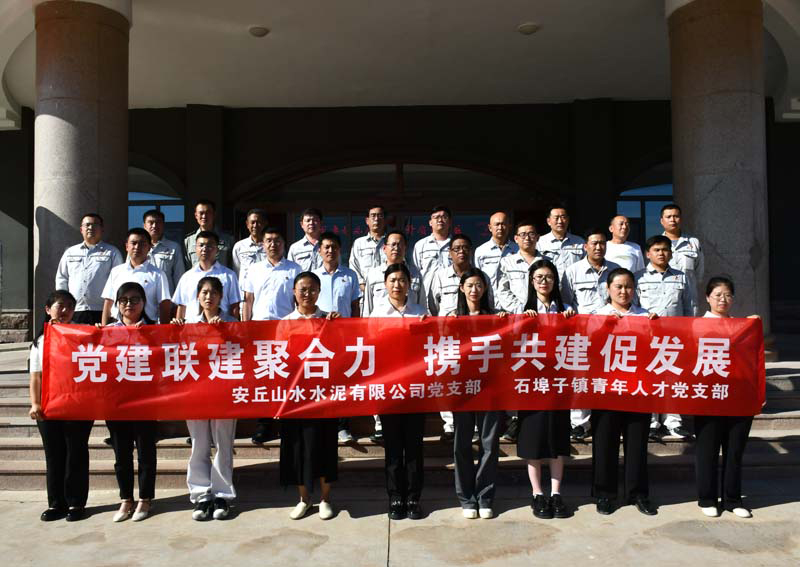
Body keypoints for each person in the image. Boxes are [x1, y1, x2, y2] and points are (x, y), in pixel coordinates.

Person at [592, 268, 659, 516]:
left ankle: (637, 493)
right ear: (608, 289)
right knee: (604, 443)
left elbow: (656, 351)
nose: (623, 291)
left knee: (637, 443)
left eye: (628, 286)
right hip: (606, 389)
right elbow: (588, 350)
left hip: (637, 389)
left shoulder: (645, 316)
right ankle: (604, 494)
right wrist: (603, 328)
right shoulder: (597, 315)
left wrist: (656, 327)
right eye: (618, 286)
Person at [171, 276, 238, 521]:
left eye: (214, 293)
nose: (209, 297)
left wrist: (225, 331)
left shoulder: (232, 323)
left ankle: (222, 495)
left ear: (221, 297)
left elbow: (243, 352)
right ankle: (201, 495)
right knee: (199, 443)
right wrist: (175, 331)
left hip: (223, 392)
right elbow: (176, 355)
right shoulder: (188, 324)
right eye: (204, 293)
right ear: (198, 296)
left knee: (223, 443)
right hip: (196, 393)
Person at [694, 276, 759, 519]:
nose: (723, 299)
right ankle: (707, 498)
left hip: (738, 397)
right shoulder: (697, 325)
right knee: (707, 451)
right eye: (718, 295)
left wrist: (753, 326)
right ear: (707, 298)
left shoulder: (742, 327)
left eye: (728, 295)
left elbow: (753, 363)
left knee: (734, 451)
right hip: (708, 397)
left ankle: (732, 499)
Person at [517, 259, 576, 520]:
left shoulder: (567, 310)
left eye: (549, 277)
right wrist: (520, 321)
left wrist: (571, 321)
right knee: (533, 439)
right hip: (531, 384)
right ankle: (537, 493)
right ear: (531, 282)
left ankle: (556, 493)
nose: (544, 282)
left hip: (558, 384)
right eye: (539, 277)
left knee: (557, 439)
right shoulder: (522, 310)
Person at [279, 272, 341, 520]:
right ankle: (304, 499)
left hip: (323, 395)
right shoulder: (284, 323)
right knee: (297, 449)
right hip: (295, 397)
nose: (307, 294)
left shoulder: (328, 320)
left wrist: (338, 327)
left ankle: (325, 499)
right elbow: (278, 360)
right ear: (294, 292)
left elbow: (341, 353)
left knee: (325, 445)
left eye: (312, 289)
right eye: (302, 289)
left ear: (319, 292)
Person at [29, 290, 93, 522]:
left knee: (76, 453)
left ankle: (76, 503)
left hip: (77, 404)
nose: (65, 310)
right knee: (54, 455)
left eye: (69, 306)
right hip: (49, 405)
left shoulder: (83, 334)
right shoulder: (41, 341)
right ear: (48, 309)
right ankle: (56, 504)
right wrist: (35, 403)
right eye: (60, 305)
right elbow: (36, 376)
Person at [370, 263, 428, 520]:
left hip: (415, 389)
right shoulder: (376, 314)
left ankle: (414, 497)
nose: (397, 285)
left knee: (414, 447)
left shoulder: (420, 312)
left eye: (402, 280)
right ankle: (395, 496)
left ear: (409, 284)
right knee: (393, 447)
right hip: (389, 390)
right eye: (392, 280)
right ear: (385, 284)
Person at [448, 268, 506, 520]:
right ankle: (466, 498)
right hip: (462, 389)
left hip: (490, 388)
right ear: (461, 288)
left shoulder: (494, 317)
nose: (474, 290)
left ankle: (485, 496)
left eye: (479, 285)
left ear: (485, 289)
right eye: (470, 285)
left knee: (489, 444)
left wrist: (505, 321)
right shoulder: (452, 318)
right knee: (462, 444)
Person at [362, 229, 426, 441]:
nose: (396, 248)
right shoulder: (373, 275)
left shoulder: (416, 274)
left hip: (411, 356)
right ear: (384, 248)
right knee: (384, 388)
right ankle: (380, 424)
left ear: (406, 248)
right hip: (385, 353)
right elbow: (368, 310)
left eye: (400, 244)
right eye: (392, 244)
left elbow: (422, 306)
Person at [103, 282, 158, 522]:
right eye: (124, 300)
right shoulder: (106, 332)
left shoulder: (155, 330)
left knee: (146, 453)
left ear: (144, 303)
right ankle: (126, 499)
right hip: (117, 402)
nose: (129, 304)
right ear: (117, 304)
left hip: (145, 401)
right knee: (121, 454)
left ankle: (145, 499)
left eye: (135, 299)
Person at [241, 227, 301, 444]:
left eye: (277, 240)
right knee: (264, 378)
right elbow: (248, 301)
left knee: (286, 376)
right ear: (262, 244)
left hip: (286, 329)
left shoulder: (295, 269)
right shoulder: (254, 269)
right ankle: (264, 425)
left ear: (284, 244)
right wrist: (246, 328)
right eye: (268, 240)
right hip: (259, 329)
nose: (273, 244)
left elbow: (298, 301)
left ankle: (286, 422)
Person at [561, 227, 621, 441]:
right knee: (582, 378)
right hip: (583, 333)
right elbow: (566, 300)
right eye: (594, 243)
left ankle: (606, 419)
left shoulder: (615, 269)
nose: (598, 247)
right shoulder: (572, 271)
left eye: (602, 243)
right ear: (585, 246)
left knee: (608, 377)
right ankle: (579, 423)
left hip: (611, 333)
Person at [635, 234, 696, 441]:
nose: (661, 253)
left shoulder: (681, 277)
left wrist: (690, 334)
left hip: (674, 338)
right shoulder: (638, 277)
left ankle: (673, 422)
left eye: (665, 250)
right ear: (648, 254)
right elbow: (633, 307)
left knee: (672, 379)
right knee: (650, 379)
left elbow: (689, 307)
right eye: (656, 250)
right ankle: (652, 422)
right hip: (647, 338)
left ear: (671, 253)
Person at [313, 232, 362, 442]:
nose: (330, 251)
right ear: (319, 251)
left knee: (343, 382)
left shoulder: (350, 275)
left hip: (344, 336)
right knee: (320, 380)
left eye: (334, 247)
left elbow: (355, 306)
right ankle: (322, 422)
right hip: (319, 337)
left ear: (340, 250)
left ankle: (343, 427)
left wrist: (355, 331)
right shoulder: (312, 276)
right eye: (326, 247)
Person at [55, 213, 123, 324]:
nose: (91, 228)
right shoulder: (70, 252)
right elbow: (62, 278)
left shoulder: (112, 252)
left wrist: (114, 311)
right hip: (75, 310)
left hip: (102, 311)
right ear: (81, 229)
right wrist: (64, 305)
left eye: (95, 225)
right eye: (87, 225)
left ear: (102, 229)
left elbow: (119, 282)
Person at [100, 228, 171, 325]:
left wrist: (164, 331)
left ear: (149, 247)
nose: (137, 247)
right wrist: (103, 330)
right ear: (127, 246)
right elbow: (108, 303)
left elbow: (164, 306)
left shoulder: (158, 274)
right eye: (133, 243)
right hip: (118, 328)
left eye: (142, 244)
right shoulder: (116, 271)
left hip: (147, 328)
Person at [172, 231, 241, 320]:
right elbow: (181, 307)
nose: (204, 249)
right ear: (195, 248)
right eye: (201, 245)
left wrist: (233, 326)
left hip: (221, 326)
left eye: (209, 246)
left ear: (217, 249)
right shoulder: (187, 277)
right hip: (192, 326)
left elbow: (234, 305)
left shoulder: (229, 275)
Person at [497, 219, 542, 314]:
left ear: (537, 237)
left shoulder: (547, 262)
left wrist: (542, 307)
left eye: (531, 234)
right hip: (517, 315)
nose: (527, 238)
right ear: (516, 239)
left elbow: (555, 288)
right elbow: (503, 291)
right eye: (523, 234)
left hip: (543, 313)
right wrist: (521, 309)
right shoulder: (507, 262)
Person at [660, 203, 704, 293]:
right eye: (668, 217)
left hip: (689, 293)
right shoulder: (656, 244)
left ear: (681, 219)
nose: (672, 220)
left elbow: (699, 271)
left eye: (676, 216)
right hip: (666, 294)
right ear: (662, 221)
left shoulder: (693, 242)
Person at [535, 205, 585, 277]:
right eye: (556, 218)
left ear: (568, 220)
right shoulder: (540, 242)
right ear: (548, 221)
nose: (560, 221)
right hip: (551, 283)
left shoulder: (580, 242)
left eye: (563, 217)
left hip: (574, 282)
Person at [474, 211, 518, 292]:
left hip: (513, 298)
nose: (500, 227)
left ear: (509, 226)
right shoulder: (481, 251)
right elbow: (477, 278)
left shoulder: (517, 249)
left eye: (503, 224)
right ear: (490, 227)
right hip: (489, 297)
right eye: (497, 224)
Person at [143, 209, 185, 294]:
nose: (154, 226)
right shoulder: (137, 247)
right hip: (144, 299)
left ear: (163, 225)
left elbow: (179, 276)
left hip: (166, 298)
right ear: (144, 225)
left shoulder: (174, 247)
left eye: (158, 222)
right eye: (151, 222)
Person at [412, 205, 453, 289]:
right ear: (430, 222)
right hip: (427, 292)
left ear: (450, 222)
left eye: (444, 217)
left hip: (451, 291)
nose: (440, 220)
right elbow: (415, 272)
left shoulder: (456, 245)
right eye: (436, 217)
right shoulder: (421, 245)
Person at [349, 205, 388, 292]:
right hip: (365, 291)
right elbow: (353, 267)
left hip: (387, 292)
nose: (376, 219)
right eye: (373, 216)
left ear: (385, 220)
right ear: (367, 221)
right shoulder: (359, 243)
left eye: (380, 216)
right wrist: (362, 286)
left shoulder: (390, 242)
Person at [184, 200, 233, 268]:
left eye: (208, 213)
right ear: (196, 215)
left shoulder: (228, 239)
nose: (204, 216)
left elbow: (232, 265)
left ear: (214, 214)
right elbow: (187, 267)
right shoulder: (189, 241)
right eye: (201, 213)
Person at [231, 208, 267, 283]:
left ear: (264, 224)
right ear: (247, 224)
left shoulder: (271, 246)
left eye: (259, 222)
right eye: (252, 222)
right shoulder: (239, 246)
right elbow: (236, 272)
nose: (255, 225)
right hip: (246, 289)